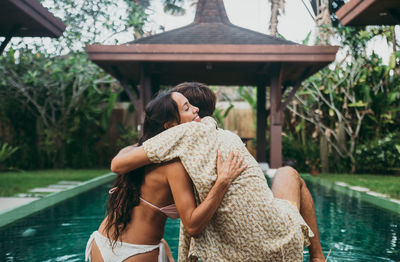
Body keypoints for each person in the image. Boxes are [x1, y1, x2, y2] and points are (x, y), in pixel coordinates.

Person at [111, 82, 326, 262]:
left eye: (190, 106)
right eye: (187, 107)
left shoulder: (184, 135)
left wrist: (144, 142)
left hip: (234, 251)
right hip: (278, 240)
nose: (193, 109)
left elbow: (118, 164)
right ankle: (317, 257)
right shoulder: (223, 135)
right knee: (288, 173)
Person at [85, 90, 247, 262]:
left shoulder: (138, 150)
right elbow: (192, 226)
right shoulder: (173, 165)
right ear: (170, 125)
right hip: (137, 253)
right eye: (187, 108)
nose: (196, 109)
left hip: (101, 242)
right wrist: (222, 182)